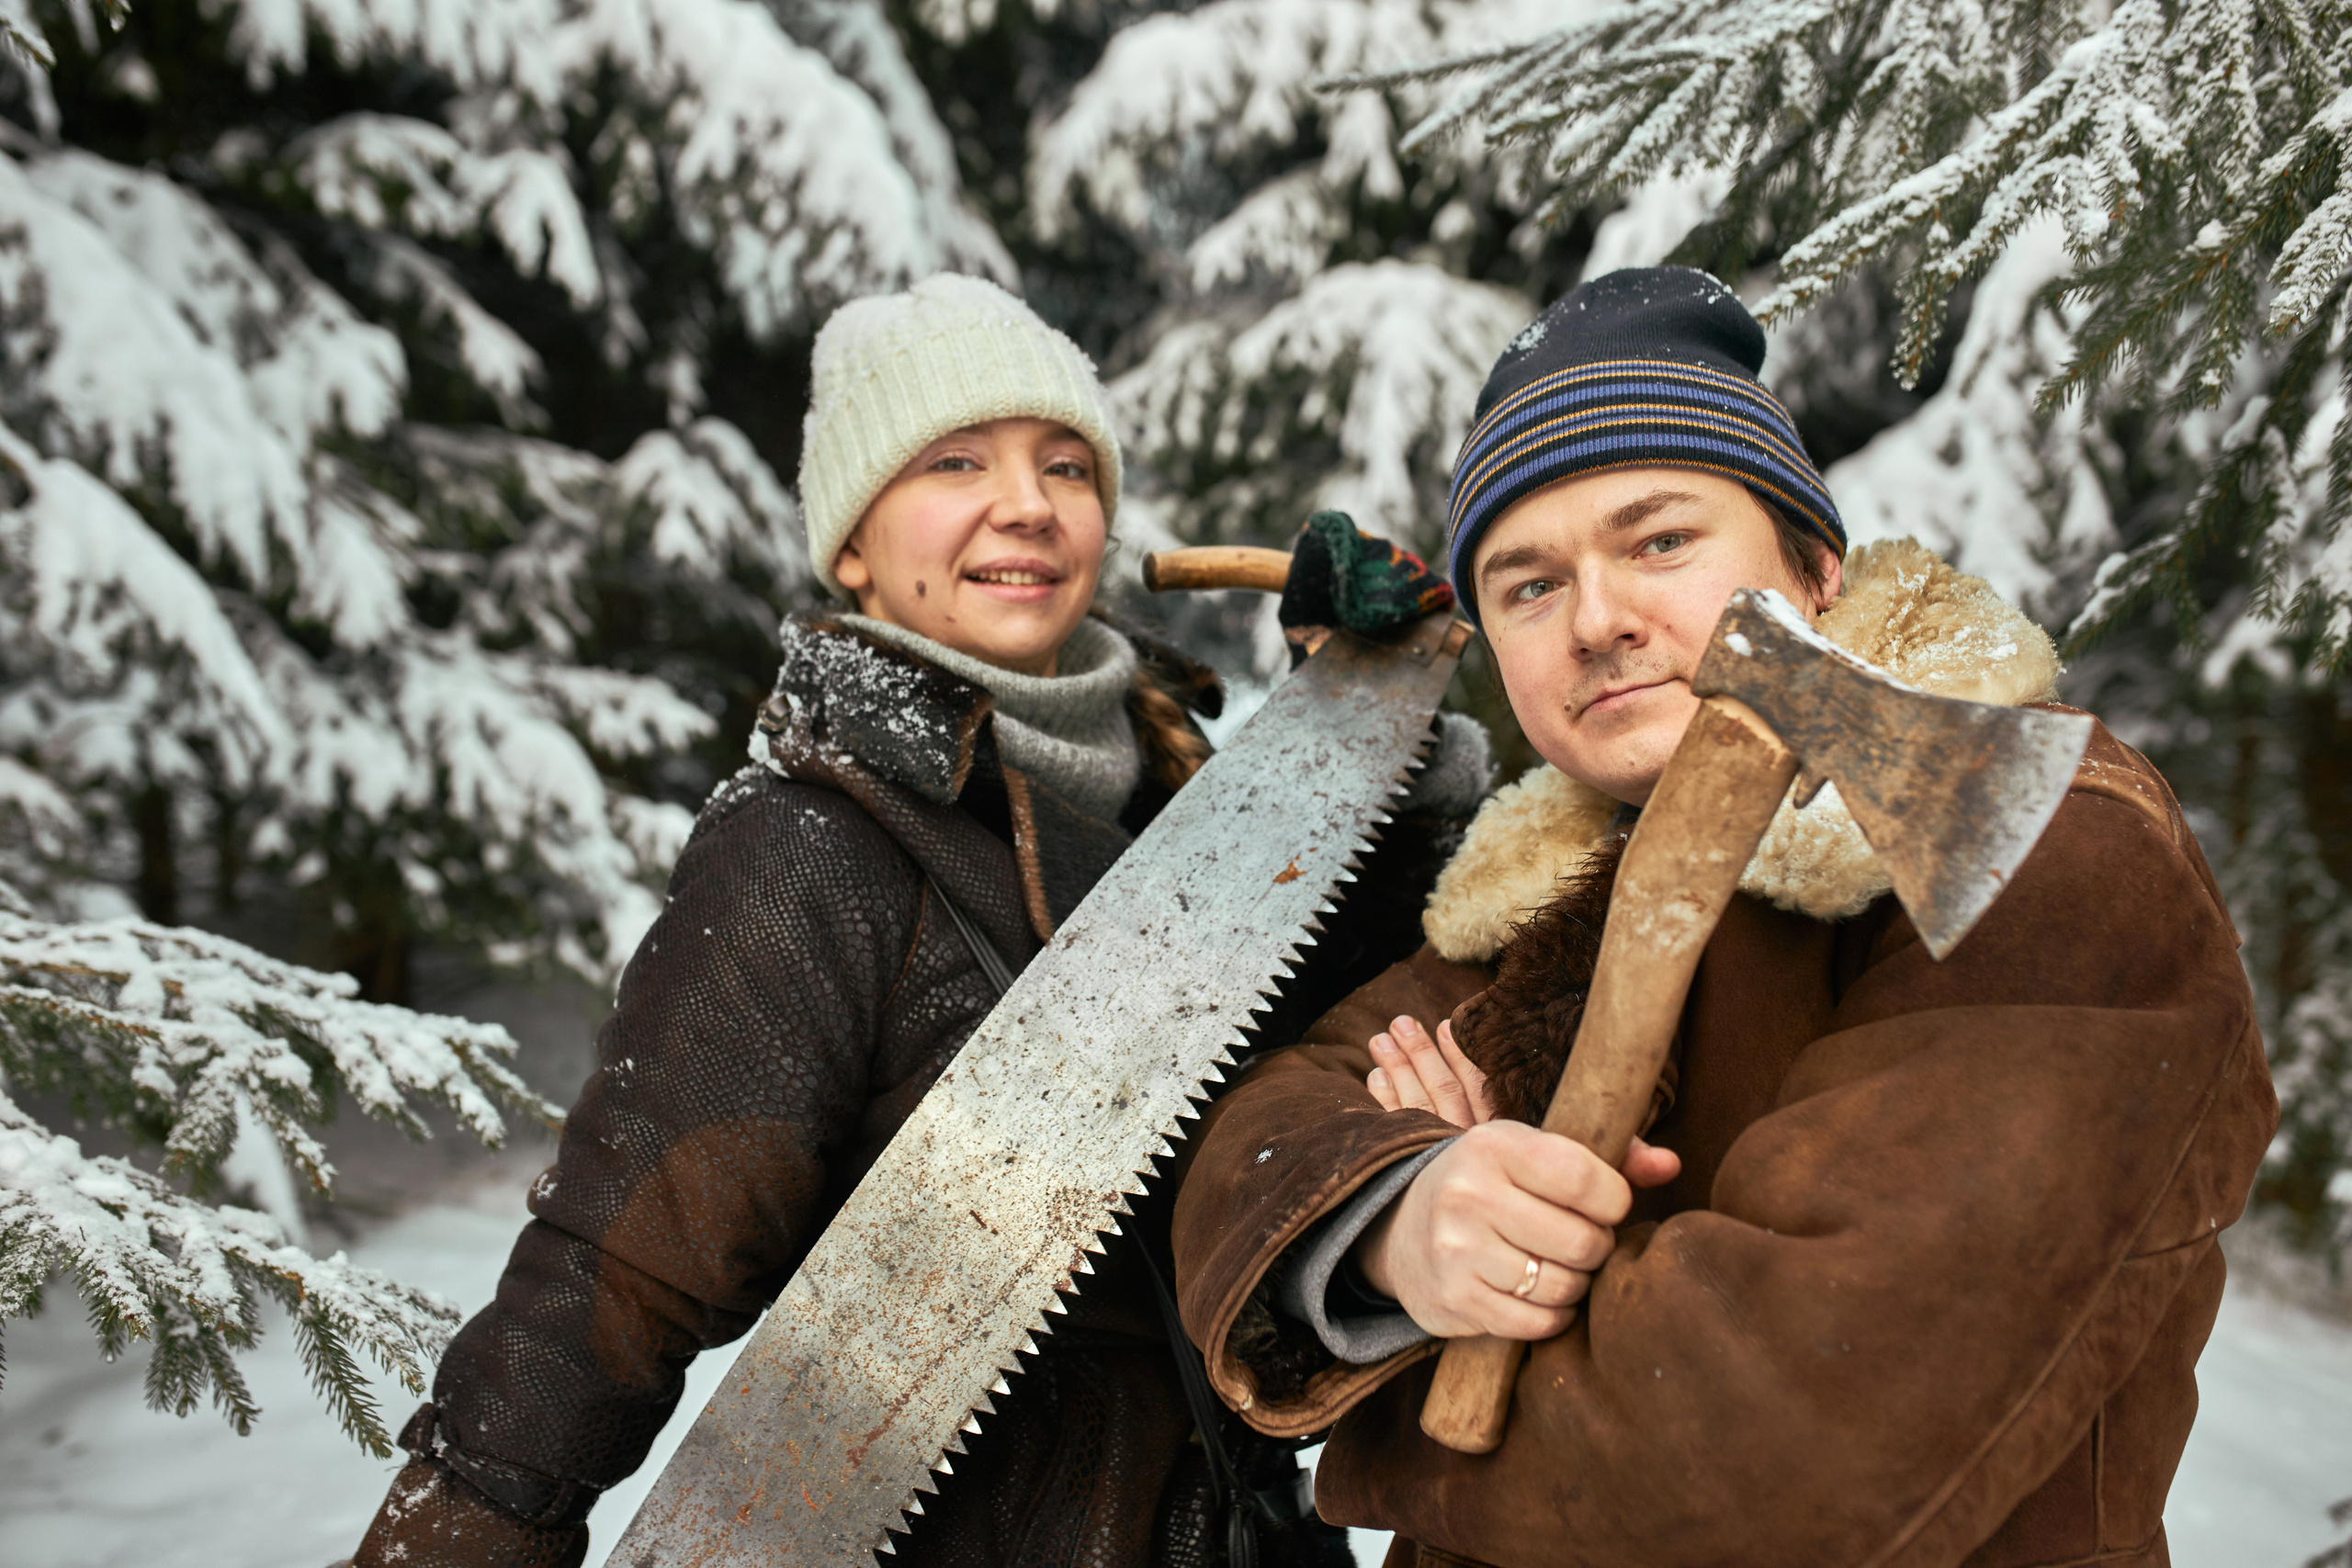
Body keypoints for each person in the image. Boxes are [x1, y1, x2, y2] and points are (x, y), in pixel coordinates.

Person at [345, 274, 1486, 1568]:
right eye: (955, 461)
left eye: (1067, 464)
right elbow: (618, 1268)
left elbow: (1336, 1045)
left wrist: (1377, 726)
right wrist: (458, 1535)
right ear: (851, 545)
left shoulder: (1184, 793)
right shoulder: (809, 848)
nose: (1027, 503)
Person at [1170, 266, 2276, 1568]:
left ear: (1816, 569)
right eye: (1526, 585)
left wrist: (1418, 1400)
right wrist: (1406, 1220)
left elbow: (1795, 1451)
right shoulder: (1530, 891)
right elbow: (1256, 1134)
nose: (1596, 620)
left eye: (1661, 541)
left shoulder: (2041, 835)